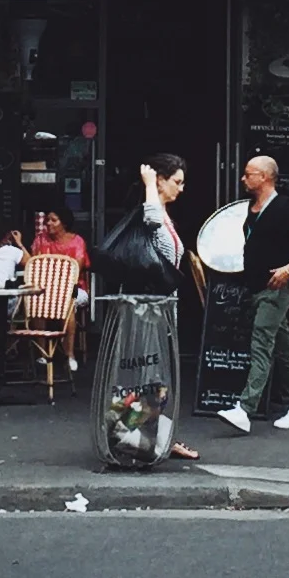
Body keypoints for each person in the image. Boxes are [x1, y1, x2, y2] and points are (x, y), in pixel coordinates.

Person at [89, 154, 190, 451]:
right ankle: (131, 433)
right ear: (160, 180)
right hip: (148, 310)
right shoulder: (153, 213)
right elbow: (151, 217)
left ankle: (150, 434)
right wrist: (149, 184)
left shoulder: (164, 214)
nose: (181, 189)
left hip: (160, 308)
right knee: (148, 372)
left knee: (152, 373)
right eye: (177, 182)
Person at [218, 151, 289, 435]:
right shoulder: (252, 208)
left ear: (264, 177)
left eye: (248, 173)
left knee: (260, 343)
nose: (243, 178)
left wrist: (288, 270)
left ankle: (245, 409)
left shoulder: (284, 208)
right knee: (283, 350)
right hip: (257, 288)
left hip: (275, 290)